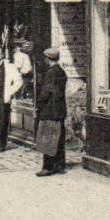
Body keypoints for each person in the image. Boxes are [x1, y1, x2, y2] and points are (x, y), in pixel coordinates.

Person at [35, 47, 68, 176]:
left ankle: (48, 167)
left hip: (50, 110)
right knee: (58, 137)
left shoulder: (50, 73)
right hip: (59, 110)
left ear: (47, 59)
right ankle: (59, 165)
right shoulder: (61, 71)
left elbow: (46, 93)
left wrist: (39, 105)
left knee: (48, 139)